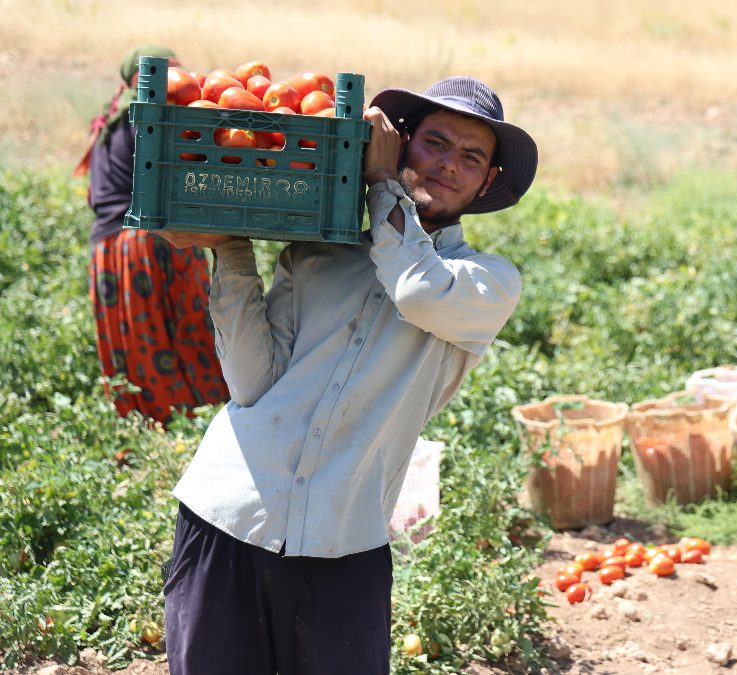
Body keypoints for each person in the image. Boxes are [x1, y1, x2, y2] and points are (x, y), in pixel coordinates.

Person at [154, 76, 537, 674]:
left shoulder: (485, 281)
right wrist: (228, 248)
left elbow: (414, 286)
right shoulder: (320, 249)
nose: (448, 165)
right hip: (228, 515)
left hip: (343, 545)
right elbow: (253, 384)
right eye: (435, 143)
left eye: (471, 156)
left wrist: (382, 182)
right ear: (402, 143)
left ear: (487, 180)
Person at [79, 44, 229, 425]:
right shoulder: (150, 114)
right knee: (195, 330)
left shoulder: (112, 117)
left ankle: (152, 428)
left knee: (138, 346)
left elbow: (95, 196)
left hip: (109, 250)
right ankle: (209, 422)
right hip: (155, 240)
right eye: (170, 72)